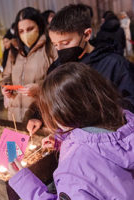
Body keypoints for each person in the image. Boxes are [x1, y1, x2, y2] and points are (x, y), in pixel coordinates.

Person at [8, 62, 134, 200]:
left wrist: (23, 183)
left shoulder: (73, 169)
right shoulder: (126, 121)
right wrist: (64, 142)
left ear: (62, 112)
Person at [47, 4, 134, 112]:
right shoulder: (57, 67)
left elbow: (131, 103)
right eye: (55, 44)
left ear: (87, 34)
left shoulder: (115, 64)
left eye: (65, 43)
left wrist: (96, 105)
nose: (59, 49)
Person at [2, 7, 57, 123]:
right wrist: (6, 87)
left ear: (39, 26)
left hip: (41, 116)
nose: (26, 34)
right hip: (15, 116)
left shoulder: (50, 47)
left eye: (30, 29)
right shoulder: (14, 50)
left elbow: (59, 80)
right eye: (21, 31)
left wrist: (40, 88)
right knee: (14, 141)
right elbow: (7, 75)